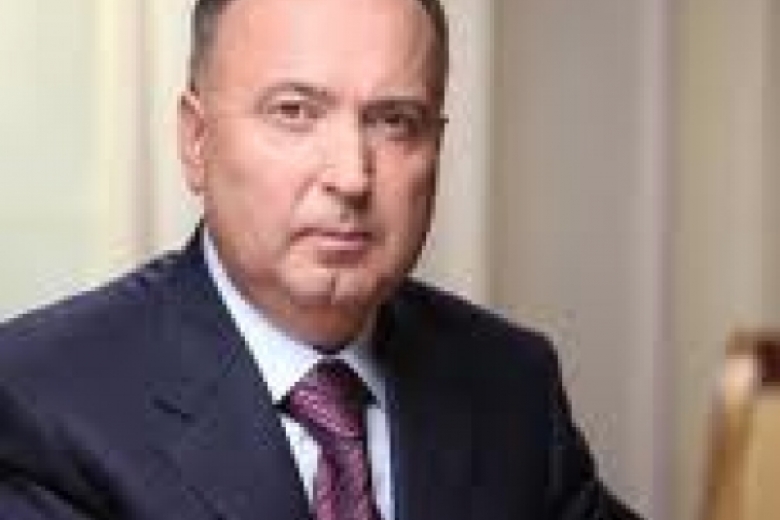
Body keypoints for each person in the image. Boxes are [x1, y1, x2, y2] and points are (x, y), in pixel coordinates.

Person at [0, 0, 641, 518]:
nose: (352, 177)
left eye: (395, 121)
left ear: (436, 149)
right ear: (196, 141)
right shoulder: (43, 397)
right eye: (295, 112)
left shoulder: (510, 383)